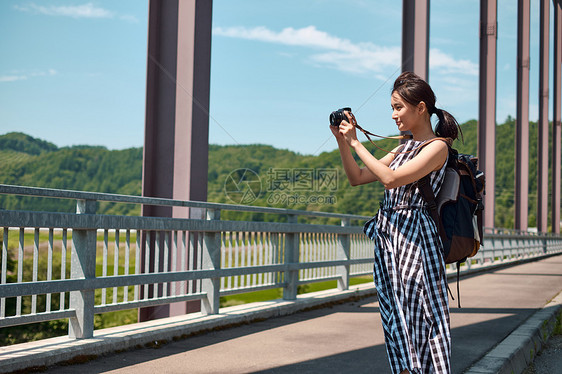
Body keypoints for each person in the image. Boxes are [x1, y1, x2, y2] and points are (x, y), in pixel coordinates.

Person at [330, 71, 461, 374]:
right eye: (392, 108)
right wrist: (343, 141)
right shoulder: (403, 146)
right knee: (395, 314)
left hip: (417, 239)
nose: (393, 115)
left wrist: (357, 143)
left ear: (421, 108)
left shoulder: (437, 147)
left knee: (421, 313)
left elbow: (389, 179)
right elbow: (357, 177)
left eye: (398, 107)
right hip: (390, 237)